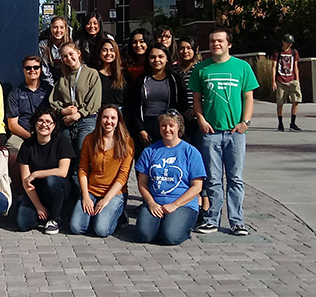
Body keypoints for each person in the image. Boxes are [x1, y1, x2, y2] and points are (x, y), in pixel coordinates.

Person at [190, 27, 258, 236]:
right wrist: (200, 119)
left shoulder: (242, 67)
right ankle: (212, 219)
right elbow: (196, 98)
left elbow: (248, 97)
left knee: (235, 178)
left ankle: (237, 221)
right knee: (213, 178)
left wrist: (245, 122)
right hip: (211, 132)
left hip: (235, 133)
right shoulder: (201, 68)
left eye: (219, 41)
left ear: (229, 43)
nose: (215, 44)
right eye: (212, 41)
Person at [135, 112, 206, 245]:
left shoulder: (190, 152)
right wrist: (151, 203)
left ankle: (182, 228)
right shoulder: (150, 151)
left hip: (182, 203)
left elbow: (197, 186)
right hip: (156, 202)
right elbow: (142, 183)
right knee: (144, 235)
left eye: (171, 126)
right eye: (163, 125)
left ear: (179, 127)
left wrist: (175, 205)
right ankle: (162, 225)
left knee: (170, 237)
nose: (167, 129)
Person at [71, 105, 133, 238]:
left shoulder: (127, 141)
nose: (108, 121)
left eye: (113, 118)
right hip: (92, 190)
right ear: (99, 119)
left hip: (115, 193)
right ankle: (98, 215)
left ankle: (118, 215)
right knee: (76, 227)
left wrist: (106, 199)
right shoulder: (89, 139)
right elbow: (82, 169)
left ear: (118, 121)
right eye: (105, 117)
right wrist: (86, 196)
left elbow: (123, 176)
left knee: (101, 230)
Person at [13, 111, 75, 235]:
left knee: (51, 180)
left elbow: (62, 172)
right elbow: (26, 181)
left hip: (59, 188)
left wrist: (36, 174)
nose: (44, 125)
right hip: (37, 192)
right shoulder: (27, 145)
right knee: (22, 223)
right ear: (35, 124)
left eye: (48, 122)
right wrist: (38, 206)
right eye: (40, 120)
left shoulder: (62, 141)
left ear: (54, 125)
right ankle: (43, 214)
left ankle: (54, 219)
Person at [124, 44, 185, 148]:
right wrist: (141, 130)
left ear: (167, 59)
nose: (156, 60)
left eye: (160, 56)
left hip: (169, 125)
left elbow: (182, 104)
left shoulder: (175, 79)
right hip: (147, 125)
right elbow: (134, 107)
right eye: (152, 57)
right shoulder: (140, 81)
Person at [48, 42, 102, 153]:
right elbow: (54, 100)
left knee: (82, 151)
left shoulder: (91, 74)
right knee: (66, 153)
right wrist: (62, 110)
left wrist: (78, 114)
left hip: (87, 119)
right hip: (67, 121)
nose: (69, 58)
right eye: (65, 56)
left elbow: (95, 100)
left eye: (71, 54)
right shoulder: (63, 79)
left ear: (78, 53)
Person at [6, 55, 51, 151]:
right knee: (12, 149)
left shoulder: (49, 91)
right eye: (28, 68)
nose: (32, 70)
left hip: (46, 132)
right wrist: (30, 137)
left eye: (36, 67)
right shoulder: (15, 93)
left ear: (40, 69)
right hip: (21, 134)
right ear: (23, 70)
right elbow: (12, 125)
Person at [273, 34, 303, 132]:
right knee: (280, 102)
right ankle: (280, 124)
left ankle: (293, 123)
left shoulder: (294, 52)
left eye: (291, 43)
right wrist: (273, 81)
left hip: (292, 80)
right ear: (283, 42)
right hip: (281, 80)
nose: (289, 44)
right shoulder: (277, 52)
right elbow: (273, 67)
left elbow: (295, 66)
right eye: (288, 42)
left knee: (296, 100)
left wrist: (297, 80)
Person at [38, 16, 70, 86]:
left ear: (65, 29)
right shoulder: (43, 45)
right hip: (48, 84)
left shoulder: (70, 45)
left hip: (66, 83)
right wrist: (53, 86)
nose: (58, 30)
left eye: (61, 27)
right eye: (55, 27)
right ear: (51, 28)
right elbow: (44, 70)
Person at [98, 38, 128, 109]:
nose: (108, 53)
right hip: (102, 112)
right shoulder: (95, 75)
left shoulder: (124, 73)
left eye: (112, 50)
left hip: (121, 112)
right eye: (104, 50)